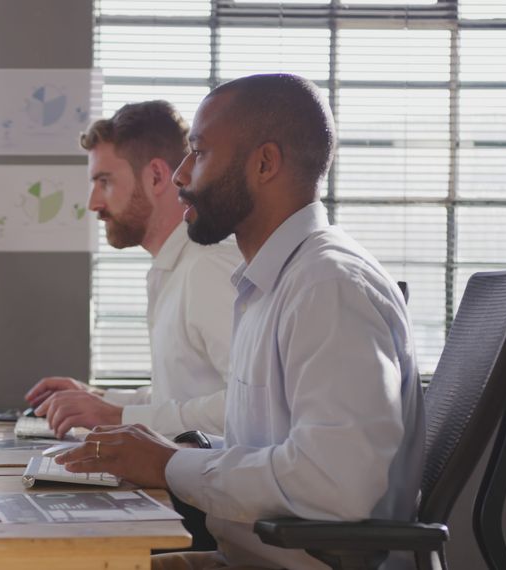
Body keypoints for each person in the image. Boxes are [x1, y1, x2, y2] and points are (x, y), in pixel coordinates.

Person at [55, 74, 426, 570]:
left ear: (265, 163)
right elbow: (270, 446)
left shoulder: (327, 285)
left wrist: (167, 462)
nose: (182, 176)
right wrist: (144, 441)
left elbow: (338, 482)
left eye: (200, 154)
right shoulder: (272, 282)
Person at [24, 100, 240, 438]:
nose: (93, 203)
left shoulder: (207, 266)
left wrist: (115, 416)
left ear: (155, 177)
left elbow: (249, 405)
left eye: (105, 181)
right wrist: (100, 400)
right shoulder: (173, 268)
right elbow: (181, 400)